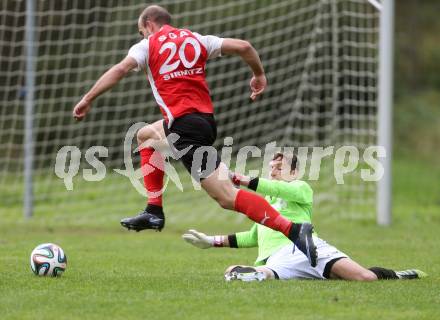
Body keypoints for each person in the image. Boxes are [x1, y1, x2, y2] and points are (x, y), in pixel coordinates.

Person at [72, 5, 317, 266]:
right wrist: (258, 75)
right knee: (145, 136)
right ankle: (153, 210)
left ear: (149, 25)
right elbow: (244, 46)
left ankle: (292, 230)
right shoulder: (197, 39)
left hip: (185, 129)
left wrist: (87, 99)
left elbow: (120, 70)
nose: (142, 35)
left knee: (226, 196)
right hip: (201, 122)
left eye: (141, 31)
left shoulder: (147, 45)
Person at [182, 152, 427, 282]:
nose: (273, 171)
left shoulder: (301, 189)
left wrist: (243, 179)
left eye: (280, 167)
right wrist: (211, 241)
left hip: (308, 248)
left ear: (295, 172)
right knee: (266, 273)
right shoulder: (263, 205)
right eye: (271, 168)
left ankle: (398, 274)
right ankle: (242, 272)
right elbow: (252, 236)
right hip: (278, 257)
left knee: (366, 278)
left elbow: (278, 188)